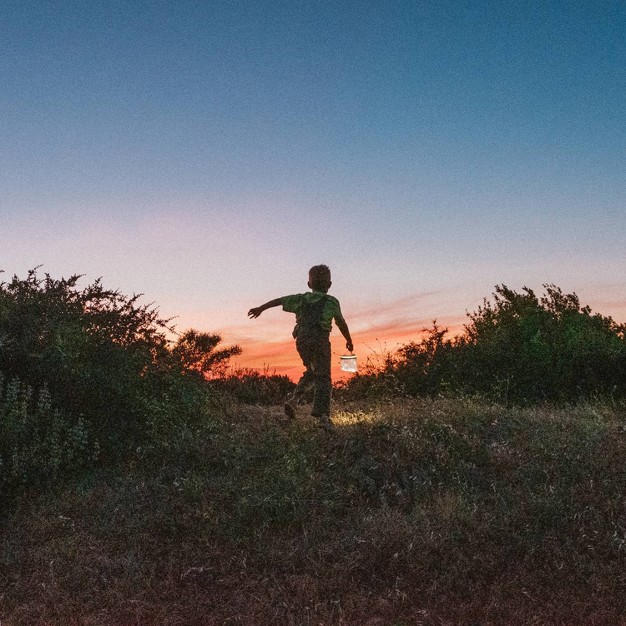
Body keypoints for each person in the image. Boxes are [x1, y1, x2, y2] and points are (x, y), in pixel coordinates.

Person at [248, 265, 353, 430]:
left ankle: (294, 401)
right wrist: (349, 340)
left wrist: (260, 308)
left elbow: (279, 301)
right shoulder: (332, 301)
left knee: (312, 372)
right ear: (330, 284)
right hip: (320, 340)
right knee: (323, 377)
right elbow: (341, 323)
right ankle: (324, 417)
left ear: (309, 284)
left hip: (302, 340)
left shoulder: (301, 298)